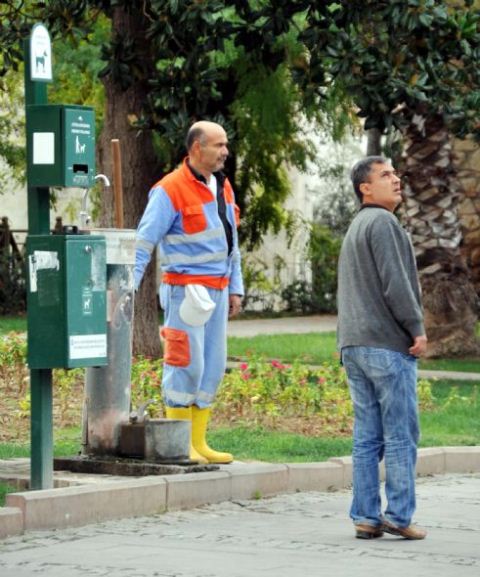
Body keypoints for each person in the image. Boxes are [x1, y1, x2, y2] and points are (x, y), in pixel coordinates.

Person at [134, 120, 244, 464]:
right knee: (186, 366)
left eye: (225, 145)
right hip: (186, 292)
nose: (225, 151)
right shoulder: (169, 189)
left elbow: (232, 244)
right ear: (197, 148)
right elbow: (144, 241)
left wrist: (236, 288)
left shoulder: (222, 187)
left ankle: (199, 442)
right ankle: (179, 445)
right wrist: (127, 287)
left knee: (211, 368)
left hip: (219, 289)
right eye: (218, 145)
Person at [337, 156, 428, 540]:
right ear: (365, 188)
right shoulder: (384, 223)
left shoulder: (358, 226)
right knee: (400, 434)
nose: (397, 179)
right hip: (387, 345)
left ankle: (365, 517)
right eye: (386, 175)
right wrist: (417, 328)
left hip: (354, 344)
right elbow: (396, 285)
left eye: (395, 173)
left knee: (367, 436)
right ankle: (400, 515)